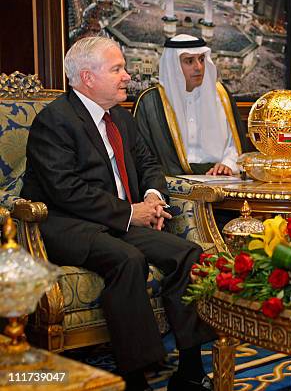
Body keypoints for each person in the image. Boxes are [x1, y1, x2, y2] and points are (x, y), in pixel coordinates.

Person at [21, 37, 213, 391]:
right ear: (87, 77)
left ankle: (188, 367)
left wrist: (153, 199)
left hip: (118, 219)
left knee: (189, 253)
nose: (127, 77)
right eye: (117, 69)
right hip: (68, 224)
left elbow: (149, 163)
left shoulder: (121, 118)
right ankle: (135, 376)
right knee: (128, 260)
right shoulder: (55, 121)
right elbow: (66, 191)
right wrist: (130, 212)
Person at [134, 34, 249, 176]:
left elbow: (234, 145)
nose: (199, 67)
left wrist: (227, 165)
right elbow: (143, 158)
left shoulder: (221, 96)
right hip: (169, 187)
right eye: (189, 61)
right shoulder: (150, 102)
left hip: (219, 181)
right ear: (173, 65)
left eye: (201, 59)